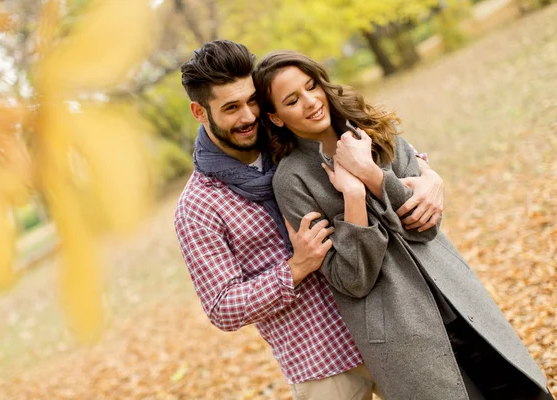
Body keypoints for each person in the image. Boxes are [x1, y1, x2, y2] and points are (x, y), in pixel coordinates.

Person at [252, 50, 553, 400]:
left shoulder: (373, 129)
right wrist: (352, 199)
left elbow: (425, 227)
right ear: (275, 118)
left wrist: (371, 174)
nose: (310, 102)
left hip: (460, 300)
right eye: (292, 100)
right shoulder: (291, 181)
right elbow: (351, 279)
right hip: (400, 332)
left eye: (311, 86)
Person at [174, 40, 445, 400]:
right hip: (322, 363)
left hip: (390, 326)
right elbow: (222, 306)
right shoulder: (198, 206)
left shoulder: (282, 135)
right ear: (199, 111)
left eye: (252, 100)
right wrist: (294, 268)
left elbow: (361, 143)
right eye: (231, 108)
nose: (248, 116)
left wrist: (428, 174)